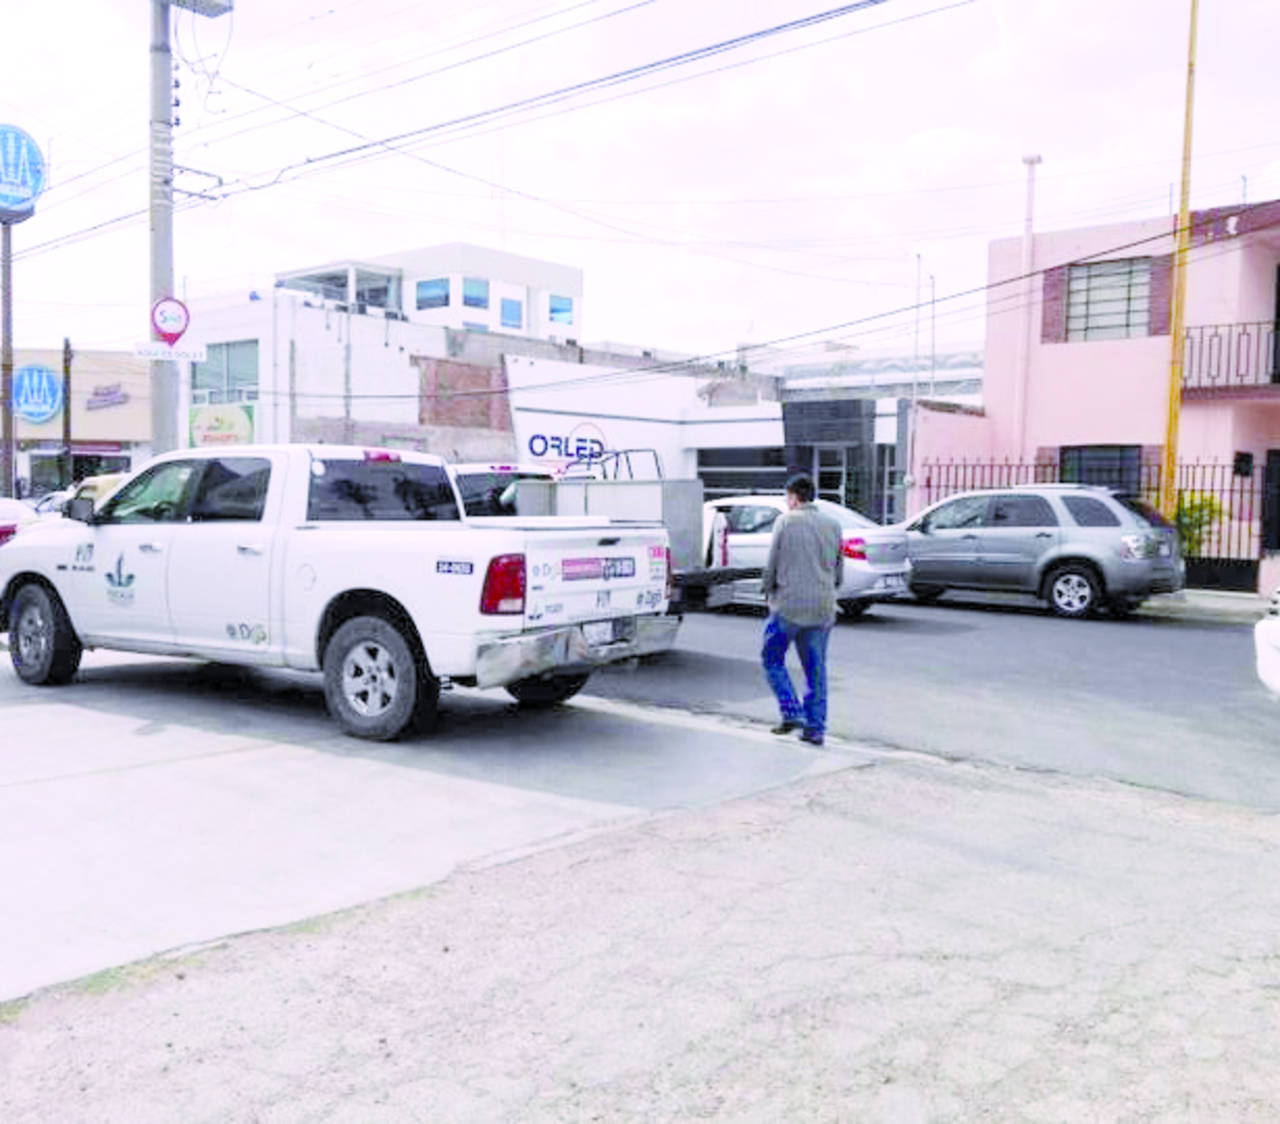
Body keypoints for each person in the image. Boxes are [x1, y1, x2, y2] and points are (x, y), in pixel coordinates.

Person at [759, 473, 843, 746]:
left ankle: (792, 712)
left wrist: (767, 590)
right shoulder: (833, 525)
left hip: (788, 606)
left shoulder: (785, 522)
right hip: (822, 608)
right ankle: (815, 729)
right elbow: (838, 569)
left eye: (787, 497)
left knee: (772, 658)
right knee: (816, 671)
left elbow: (772, 563)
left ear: (794, 497)